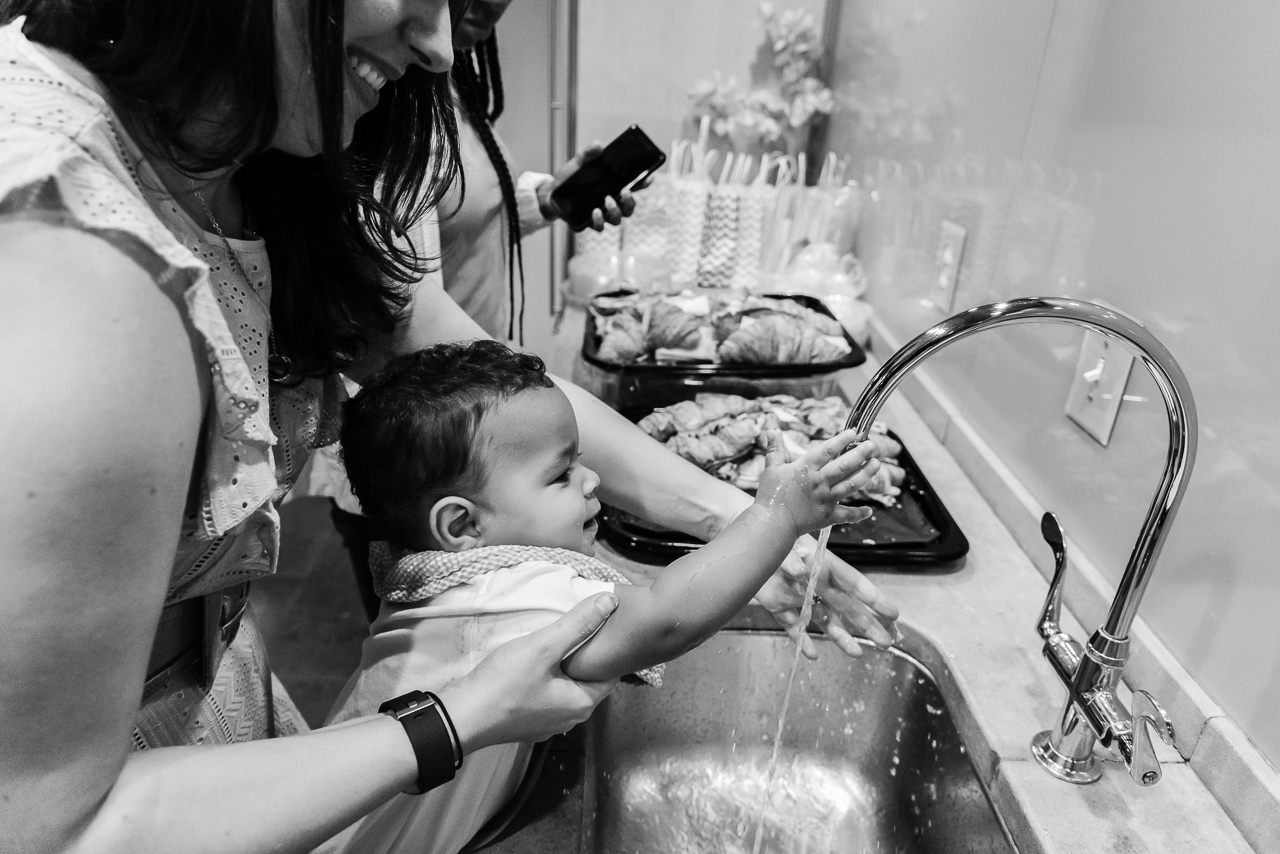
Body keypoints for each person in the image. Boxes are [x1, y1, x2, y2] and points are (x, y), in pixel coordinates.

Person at [0, 1, 896, 852]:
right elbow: (45, 827)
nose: (438, 45)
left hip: (214, 718)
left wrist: (731, 520)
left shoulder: (248, 166)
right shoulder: (76, 268)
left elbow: (497, 381)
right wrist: (450, 721)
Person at [324, 340, 883, 854]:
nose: (592, 480)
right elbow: (663, 620)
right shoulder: (502, 594)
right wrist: (777, 517)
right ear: (462, 525)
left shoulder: (445, 574)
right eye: (561, 474)